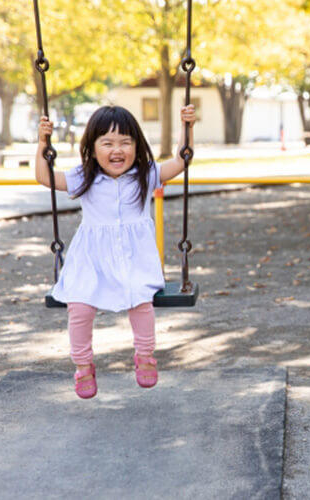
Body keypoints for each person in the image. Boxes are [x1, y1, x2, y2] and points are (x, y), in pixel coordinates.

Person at [36, 104, 196, 399]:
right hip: (91, 261)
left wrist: (187, 127)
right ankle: (83, 365)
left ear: (137, 145)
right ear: (92, 148)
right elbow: (46, 178)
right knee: (79, 307)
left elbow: (181, 160)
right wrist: (43, 142)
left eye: (125, 142)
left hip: (134, 261)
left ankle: (145, 357)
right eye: (107, 143)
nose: (117, 150)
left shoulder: (146, 175)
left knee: (141, 302)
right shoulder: (84, 177)